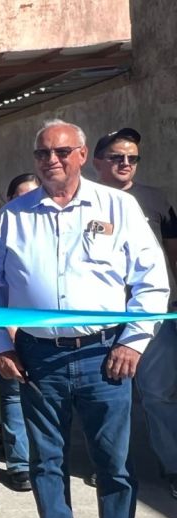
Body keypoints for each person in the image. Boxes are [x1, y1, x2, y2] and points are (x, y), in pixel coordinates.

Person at [0, 119, 169, 518]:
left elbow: (152, 281)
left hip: (106, 355)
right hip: (39, 356)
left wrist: (134, 341)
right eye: (43, 153)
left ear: (83, 155)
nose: (52, 161)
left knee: (113, 463)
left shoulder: (117, 207)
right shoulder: (13, 216)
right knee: (46, 459)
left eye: (62, 152)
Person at [91, 127, 177, 498]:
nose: (126, 163)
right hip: (103, 317)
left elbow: (173, 252)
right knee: (111, 398)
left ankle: (172, 466)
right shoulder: (88, 202)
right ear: (97, 163)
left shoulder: (156, 199)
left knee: (159, 395)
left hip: (154, 313)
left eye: (132, 157)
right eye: (116, 157)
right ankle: (111, 466)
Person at [0, 174, 42, 491]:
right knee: (12, 394)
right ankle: (19, 462)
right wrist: (6, 330)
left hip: (52, 333)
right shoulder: (2, 232)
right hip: (11, 325)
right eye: (21, 196)